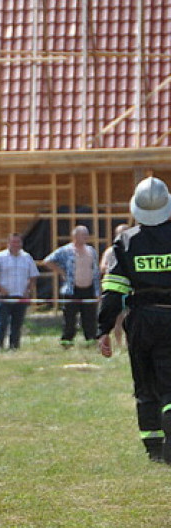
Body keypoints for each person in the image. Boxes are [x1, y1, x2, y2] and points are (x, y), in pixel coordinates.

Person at [99, 177, 171, 462]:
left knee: (145, 384)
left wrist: (103, 328)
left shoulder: (126, 240)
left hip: (141, 320)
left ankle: (154, 450)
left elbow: (114, 289)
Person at [42, 225, 101, 347]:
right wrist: (62, 272)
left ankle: (91, 339)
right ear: (75, 236)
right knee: (69, 317)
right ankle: (67, 341)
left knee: (90, 317)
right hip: (72, 289)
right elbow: (47, 261)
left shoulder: (91, 251)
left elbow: (95, 269)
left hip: (89, 288)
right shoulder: (66, 250)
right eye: (82, 235)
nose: (85, 237)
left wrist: (97, 290)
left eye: (86, 235)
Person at [0, 233, 39, 351]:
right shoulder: (0, 257)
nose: (16, 245)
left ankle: (14, 347)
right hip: (5, 296)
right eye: (13, 242)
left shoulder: (27, 257)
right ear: (8, 243)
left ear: (21, 243)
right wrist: (0, 289)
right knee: (1, 324)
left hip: (21, 296)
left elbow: (33, 276)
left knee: (17, 325)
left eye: (18, 242)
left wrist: (28, 290)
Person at [100, 223, 130, 349]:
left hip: (129, 288)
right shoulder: (111, 251)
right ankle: (119, 343)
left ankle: (129, 343)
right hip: (115, 288)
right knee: (117, 318)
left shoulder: (131, 249)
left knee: (129, 317)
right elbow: (102, 267)